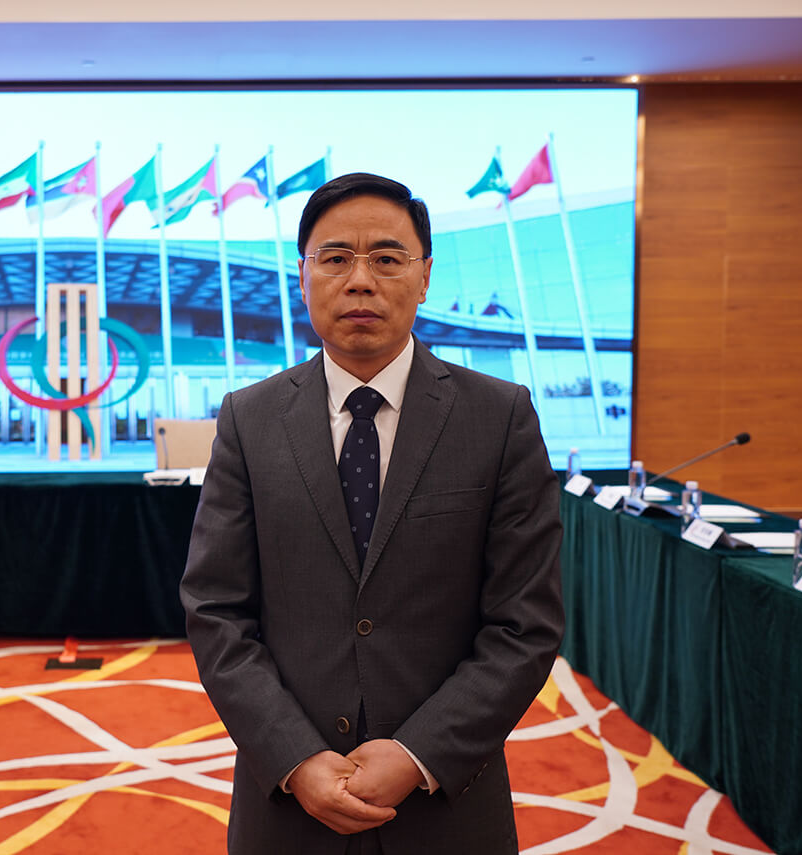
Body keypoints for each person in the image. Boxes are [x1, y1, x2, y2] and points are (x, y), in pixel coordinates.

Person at [179, 173, 563, 854]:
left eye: (387, 258)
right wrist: (294, 757)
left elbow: (523, 622)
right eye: (335, 258)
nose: (360, 281)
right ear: (303, 278)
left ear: (424, 277)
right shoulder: (249, 419)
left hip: (446, 804)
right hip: (287, 806)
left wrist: (419, 754)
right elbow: (216, 609)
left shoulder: (499, 417)